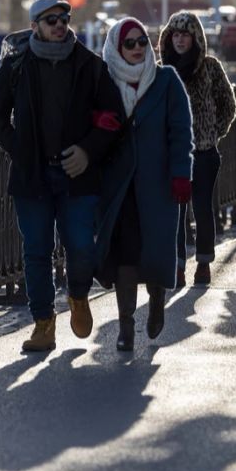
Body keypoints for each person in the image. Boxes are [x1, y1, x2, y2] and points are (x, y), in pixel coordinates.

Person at [0, 0, 125, 352]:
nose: (60, 25)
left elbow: (113, 116)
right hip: (32, 177)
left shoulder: (89, 65)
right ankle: (43, 324)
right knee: (36, 251)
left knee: (81, 248)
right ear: (35, 27)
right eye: (51, 21)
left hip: (77, 175)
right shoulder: (16, 66)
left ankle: (78, 295)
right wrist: (23, 150)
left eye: (64, 19)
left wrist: (87, 151)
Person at [96, 18, 194, 351]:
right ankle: (126, 326)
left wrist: (182, 173)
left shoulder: (166, 80)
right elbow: (86, 122)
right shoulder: (104, 81)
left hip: (159, 184)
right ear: (116, 47)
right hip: (119, 186)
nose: (139, 48)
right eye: (130, 43)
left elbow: (181, 132)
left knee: (155, 252)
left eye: (143, 42)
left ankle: (156, 305)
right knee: (125, 254)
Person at [158, 11, 236, 288]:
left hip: (203, 152)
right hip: (171, 154)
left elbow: (229, 105)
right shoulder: (161, 69)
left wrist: (213, 132)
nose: (180, 40)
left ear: (196, 37)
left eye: (185, 35)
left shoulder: (211, 67)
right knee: (174, 213)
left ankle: (203, 262)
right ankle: (177, 265)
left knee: (202, 208)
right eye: (175, 35)